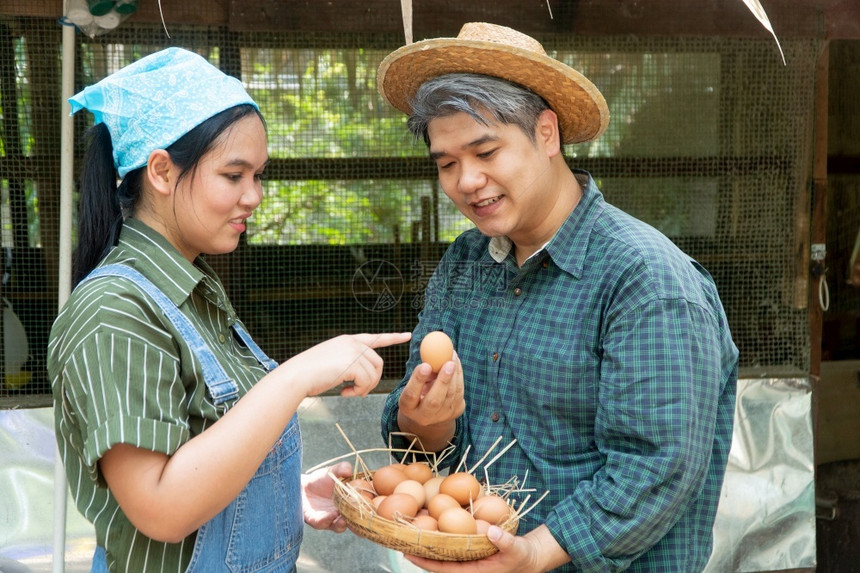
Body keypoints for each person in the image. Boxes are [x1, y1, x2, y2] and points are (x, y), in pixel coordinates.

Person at [376, 23, 739, 572]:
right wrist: (423, 420)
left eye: (486, 151)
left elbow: (656, 468)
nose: (467, 181)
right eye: (447, 164)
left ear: (547, 134)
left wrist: (535, 554)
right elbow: (422, 450)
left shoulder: (645, 280)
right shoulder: (465, 265)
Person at [48, 47, 411, 572]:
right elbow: (161, 509)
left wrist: (282, 492)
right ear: (161, 172)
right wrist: (294, 377)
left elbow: (204, 452)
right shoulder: (114, 311)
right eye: (233, 175)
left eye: (258, 175)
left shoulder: (195, 290)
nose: (254, 196)